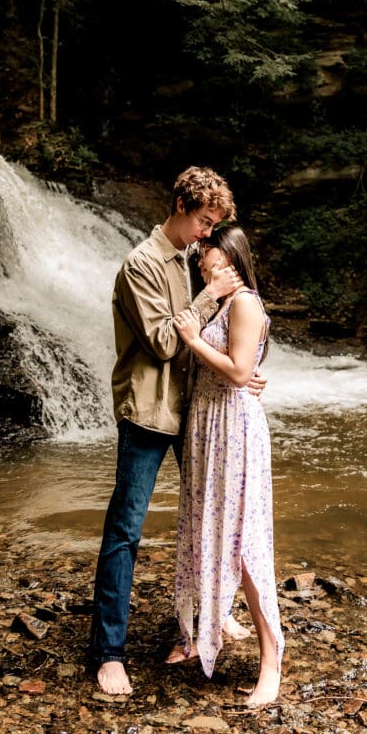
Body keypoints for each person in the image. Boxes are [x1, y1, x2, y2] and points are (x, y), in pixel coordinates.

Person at [89, 167, 264, 696]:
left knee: (211, 519)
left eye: (214, 225)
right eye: (204, 221)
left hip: (194, 413)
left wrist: (245, 369)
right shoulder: (140, 263)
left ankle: (210, 620)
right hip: (147, 414)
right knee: (125, 531)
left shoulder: (193, 261)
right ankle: (109, 653)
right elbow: (166, 341)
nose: (208, 234)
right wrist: (209, 293)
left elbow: (215, 334)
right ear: (182, 206)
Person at [167, 225, 284, 706]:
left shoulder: (245, 303)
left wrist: (194, 341)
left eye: (209, 257)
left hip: (233, 430)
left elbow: (237, 371)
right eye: (200, 260)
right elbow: (238, 368)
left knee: (245, 542)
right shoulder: (220, 303)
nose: (202, 265)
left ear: (232, 259)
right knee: (207, 529)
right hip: (208, 428)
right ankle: (210, 624)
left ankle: (271, 659)